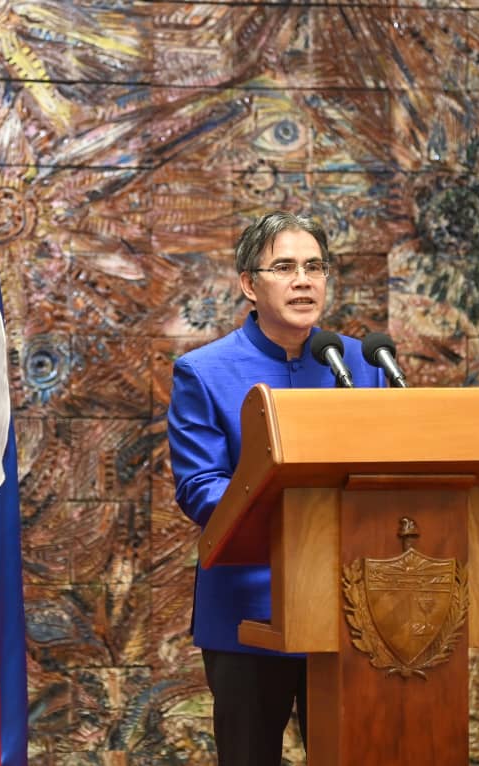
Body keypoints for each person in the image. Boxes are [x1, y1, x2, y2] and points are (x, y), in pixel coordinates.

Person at [166, 211, 385, 765]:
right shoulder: (204, 371)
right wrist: (300, 511)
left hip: (352, 610)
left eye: (315, 267)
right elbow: (200, 488)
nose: (304, 280)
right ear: (249, 284)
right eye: (284, 267)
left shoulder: (363, 362)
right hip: (247, 610)